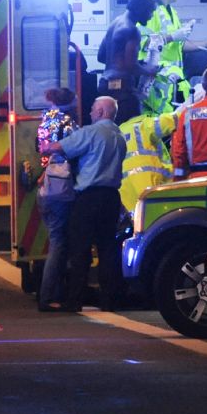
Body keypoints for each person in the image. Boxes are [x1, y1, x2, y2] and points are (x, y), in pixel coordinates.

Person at [39, 95, 127, 312]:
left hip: (89, 198)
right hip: (111, 198)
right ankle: (109, 300)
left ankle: (74, 300)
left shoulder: (91, 132)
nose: (89, 113)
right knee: (108, 250)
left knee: (80, 250)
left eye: (92, 109)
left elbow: (59, 147)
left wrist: (45, 144)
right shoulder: (119, 136)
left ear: (100, 112)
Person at [34, 87, 78, 312]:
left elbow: (41, 150)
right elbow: (75, 149)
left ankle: (54, 293)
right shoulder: (68, 122)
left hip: (46, 188)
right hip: (61, 189)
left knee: (56, 241)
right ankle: (48, 296)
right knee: (59, 244)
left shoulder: (46, 120)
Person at [118, 94, 178, 211]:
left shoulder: (117, 133)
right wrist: (191, 105)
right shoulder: (143, 125)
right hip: (153, 190)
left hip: (127, 196)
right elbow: (171, 121)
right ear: (138, 108)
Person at [97, 0, 157, 66]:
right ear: (141, 9)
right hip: (122, 77)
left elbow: (101, 57)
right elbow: (132, 68)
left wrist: (137, 63)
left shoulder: (116, 22)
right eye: (151, 11)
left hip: (110, 76)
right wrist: (150, 70)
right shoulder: (132, 31)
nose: (152, 16)